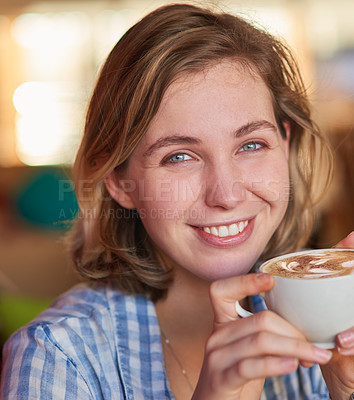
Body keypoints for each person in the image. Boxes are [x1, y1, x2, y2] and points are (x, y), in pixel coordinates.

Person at [1, 3, 353, 399]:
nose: (226, 194)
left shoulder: (330, 326)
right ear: (120, 181)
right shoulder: (55, 356)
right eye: (179, 156)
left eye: (251, 144)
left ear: (285, 146)